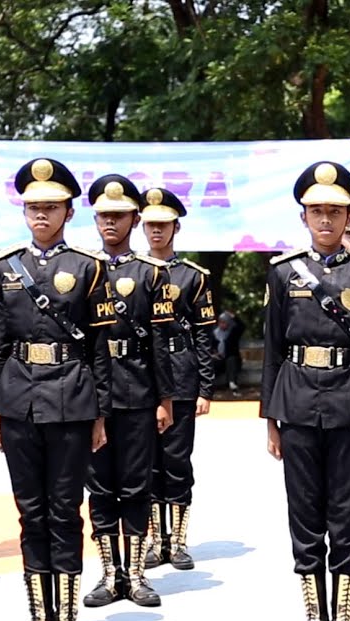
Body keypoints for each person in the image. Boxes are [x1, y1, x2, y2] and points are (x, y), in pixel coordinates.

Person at [262, 161, 350, 621]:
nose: (325, 220)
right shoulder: (282, 272)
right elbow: (273, 347)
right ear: (304, 216)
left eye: (334, 212)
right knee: (305, 515)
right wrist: (271, 418)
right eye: (316, 211)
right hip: (296, 402)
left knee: (347, 513)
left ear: (347, 218)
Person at [0, 158, 115, 621]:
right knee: (30, 511)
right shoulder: (3, 268)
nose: (40, 214)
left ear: (67, 211)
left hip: (72, 399)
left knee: (65, 509)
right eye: (33, 207)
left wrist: (100, 413)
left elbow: (101, 348)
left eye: (50, 207)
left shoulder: (88, 268)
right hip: (20, 399)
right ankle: (38, 620)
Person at [81, 174, 174, 609]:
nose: (110, 223)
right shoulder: (80, 269)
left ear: (135, 219)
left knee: (137, 484)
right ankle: (107, 571)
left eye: (119, 215)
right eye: (104, 215)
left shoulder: (151, 274)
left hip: (138, 391)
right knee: (99, 484)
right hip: (92, 395)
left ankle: (134, 573)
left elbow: (161, 341)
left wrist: (164, 399)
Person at [140, 187, 216, 572]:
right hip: (142, 379)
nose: (156, 231)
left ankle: (180, 539)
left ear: (176, 227)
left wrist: (205, 387)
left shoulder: (191, 276)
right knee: (148, 461)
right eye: (150, 224)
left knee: (176, 458)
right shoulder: (130, 273)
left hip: (181, 373)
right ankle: (157, 537)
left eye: (163, 225)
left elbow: (204, 335)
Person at [212, 311, 245, 393]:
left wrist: (233, 316)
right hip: (219, 360)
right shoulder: (214, 333)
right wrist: (214, 354)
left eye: (224, 322)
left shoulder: (233, 332)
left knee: (231, 360)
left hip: (232, 359)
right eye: (221, 322)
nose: (222, 324)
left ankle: (232, 383)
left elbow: (242, 326)